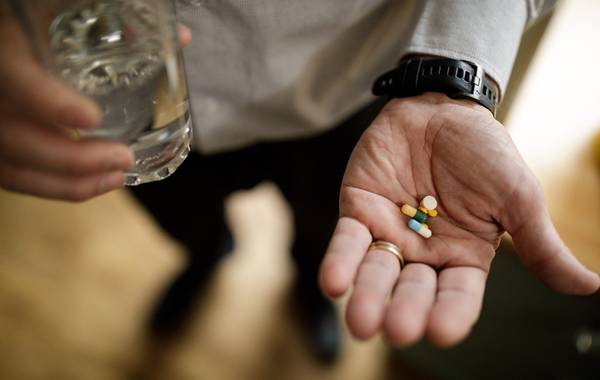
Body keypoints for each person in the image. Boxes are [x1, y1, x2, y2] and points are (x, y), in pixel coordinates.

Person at [1, 0, 598, 363]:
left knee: (327, 233)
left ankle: (310, 291)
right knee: (185, 222)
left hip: (352, 98)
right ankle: (205, 259)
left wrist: (452, 74)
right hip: (133, 107)